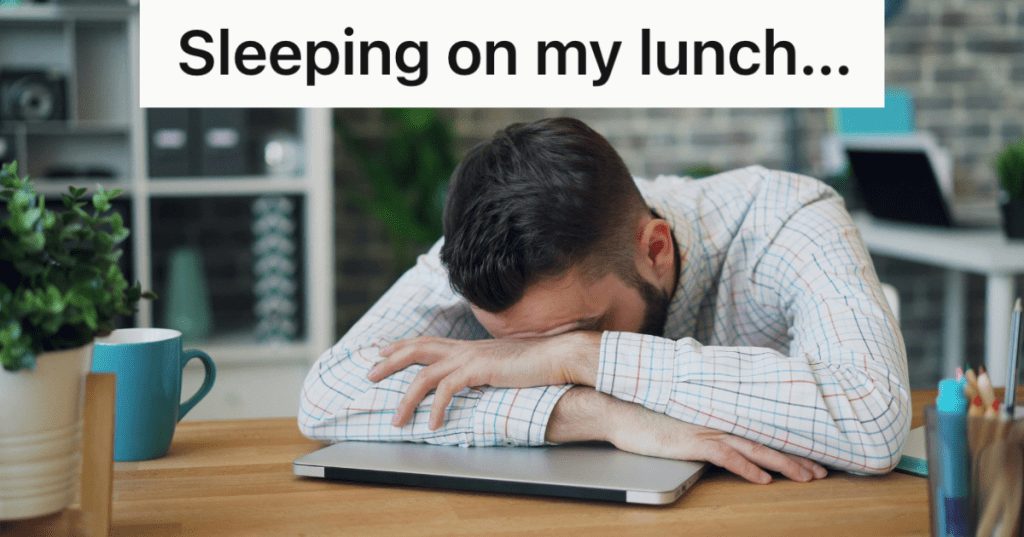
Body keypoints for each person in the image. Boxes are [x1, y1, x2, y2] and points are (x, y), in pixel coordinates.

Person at [299, 117, 910, 485]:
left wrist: (580, 358)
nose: (527, 361)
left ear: (656, 249)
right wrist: (596, 414)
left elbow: (873, 417)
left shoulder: (789, 218)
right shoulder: (483, 249)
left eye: (572, 330)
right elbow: (327, 396)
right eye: (514, 345)